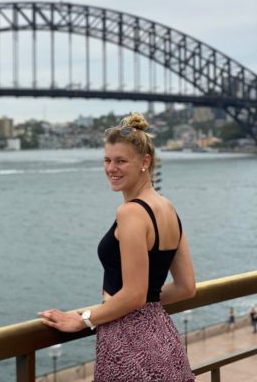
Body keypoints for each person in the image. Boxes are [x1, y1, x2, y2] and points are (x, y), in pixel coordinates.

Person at [37, 113, 196, 381]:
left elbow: (133, 294)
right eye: (107, 160)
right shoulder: (168, 208)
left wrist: (85, 318)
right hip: (163, 337)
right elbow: (185, 287)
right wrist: (145, 302)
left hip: (128, 342)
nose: (111, 168)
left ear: (145, 162)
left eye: (121, 161)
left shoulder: (131, 212)